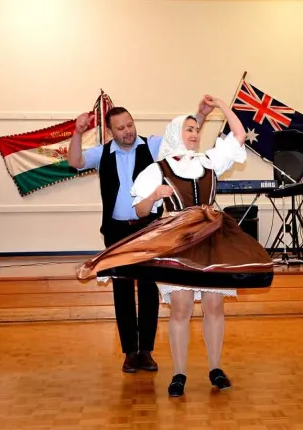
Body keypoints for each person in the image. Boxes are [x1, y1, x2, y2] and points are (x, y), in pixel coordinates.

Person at [76, 95, 274, 397]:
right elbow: (140, 210)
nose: (195, 134)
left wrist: (222, 105)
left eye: (197, 130)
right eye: (188, 129)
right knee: (181, 308)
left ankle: (215, 368)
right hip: (179, 243)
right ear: (175, 135)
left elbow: (239, 135)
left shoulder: (209, 161)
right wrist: (154, 196)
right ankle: (179, 373)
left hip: (211, 241)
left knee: (214, 305)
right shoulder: (157, 169)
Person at [67, 99, 213, 373]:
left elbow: (182, 137)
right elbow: (75, 161)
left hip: (148, 228)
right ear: (111, 131)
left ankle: (146, 351)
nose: (128, 131)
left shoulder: (152, 146)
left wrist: (200, 115)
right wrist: (77, 132)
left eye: (130, 124)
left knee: (147, 289)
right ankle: (129, 353)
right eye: (121, 128)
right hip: (116, 231)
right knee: (122, 291)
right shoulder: (103, 153)